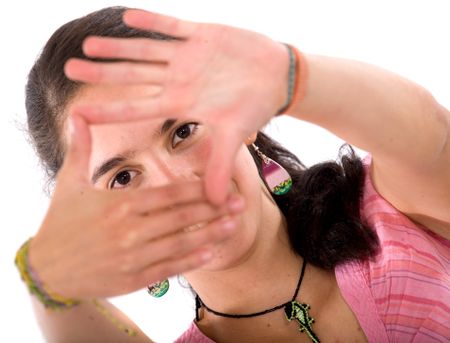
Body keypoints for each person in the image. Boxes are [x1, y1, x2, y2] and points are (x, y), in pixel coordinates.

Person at [15, 5, 449, 343]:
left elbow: (435, 140)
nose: (178, 183)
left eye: (183, 131)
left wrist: (292, 77)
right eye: (123, 178)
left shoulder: (391, 212)